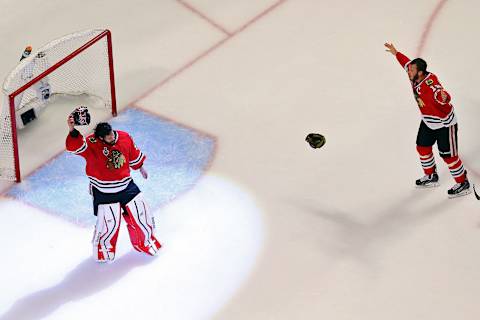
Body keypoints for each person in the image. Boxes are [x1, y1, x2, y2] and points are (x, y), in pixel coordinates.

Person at [66, 115, 161, 262]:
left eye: (110, 133)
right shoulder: (92, 142)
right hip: (104, 191)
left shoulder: (124, 137)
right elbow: (75, 147)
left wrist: (140, 167)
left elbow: (133, 154)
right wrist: (73, 131)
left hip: (126, 186)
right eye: (107, 136)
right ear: (100, 138)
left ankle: (145, 242)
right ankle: (104, 251)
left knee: (141, 214)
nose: (111, 137)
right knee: (109, 224)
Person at [384, 42, 470, 198]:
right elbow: (405, 63)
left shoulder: (431, 84)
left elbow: (440, 93)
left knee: (449, 157)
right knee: (422, 148)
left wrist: (444, 98)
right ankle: (431, 176)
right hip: (428, 121)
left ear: (421, 73)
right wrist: (396, 53)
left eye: (411, 70)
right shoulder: (414, 76)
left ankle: (463, 183)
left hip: (445, 124)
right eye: (409, 69)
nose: (408, 71)